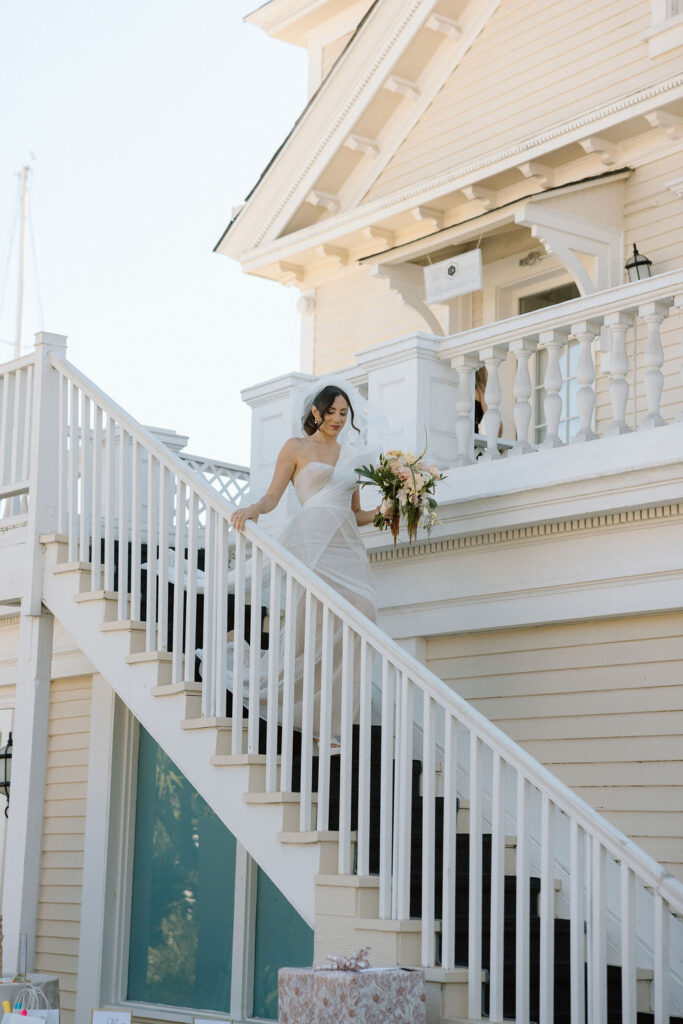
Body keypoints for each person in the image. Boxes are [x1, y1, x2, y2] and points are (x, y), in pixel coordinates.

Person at [229, 380, 381, 735]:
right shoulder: (296, 447)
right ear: (316, 411)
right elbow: (273, 496)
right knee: (309, 627)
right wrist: (254, 509)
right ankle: (317, 724)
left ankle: (333, 716)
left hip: (346, 544)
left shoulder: (351, 455)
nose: (338, 419)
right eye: (331, 412)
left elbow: (355, 512)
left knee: (364, 611)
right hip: (311, 539)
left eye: (344, 413)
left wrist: (387, 512)